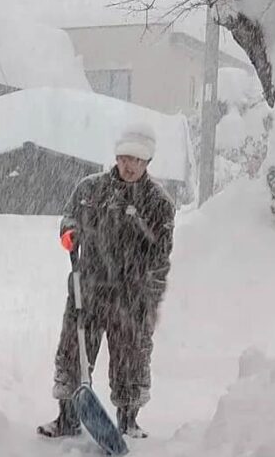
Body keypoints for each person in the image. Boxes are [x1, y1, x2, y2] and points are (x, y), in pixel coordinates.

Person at [37, 123, 175, 440]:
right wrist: (69, 232)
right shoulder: (90, 190)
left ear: (148, 163)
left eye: (138, 161)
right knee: (74, 350)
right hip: (89, 287)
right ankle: (67, 416)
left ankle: (128, 420)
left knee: (131, 357)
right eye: (126, 158)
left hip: (132, 294)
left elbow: (160, 257)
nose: (130, 166)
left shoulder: (158, 203)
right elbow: (69, 218)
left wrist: (150, 301)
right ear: (117, 156)